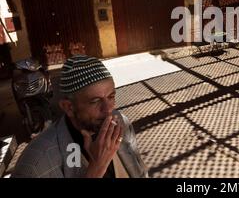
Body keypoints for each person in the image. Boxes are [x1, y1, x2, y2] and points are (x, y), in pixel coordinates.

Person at [12, 55, 148, 178]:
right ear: (68, 107)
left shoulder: (122, 123)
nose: (108, 110)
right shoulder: (35, 164)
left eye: (111, 97)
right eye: (95, 101)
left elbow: (140, 172)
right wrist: (97, 168)